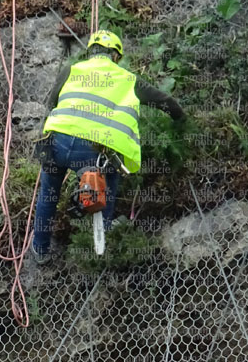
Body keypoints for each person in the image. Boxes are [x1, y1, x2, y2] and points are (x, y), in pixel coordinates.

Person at [32, 29, 185, 260]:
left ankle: (40, 250)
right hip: (93, 152)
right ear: (115, 56)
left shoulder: (71, 70)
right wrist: (181, 120)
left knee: (48, 195)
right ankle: (102, 240)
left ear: (89, 52)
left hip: (57, 144)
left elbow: (51, 102)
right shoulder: (127, 79)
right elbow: (165, 102)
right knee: (109, 179)